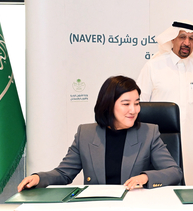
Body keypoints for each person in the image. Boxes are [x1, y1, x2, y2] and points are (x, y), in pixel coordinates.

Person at [18, 75, 182, 191]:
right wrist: (38, 178)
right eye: (126, 104)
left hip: (134, 209)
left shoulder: (149, 133)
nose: (134, 110)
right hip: (97, 210)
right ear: (108, 105)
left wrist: (145, 178)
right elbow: (64, 173)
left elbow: (174, 172)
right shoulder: (85, 134)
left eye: (137, 103)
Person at [137, 20, 193, 186]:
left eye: (191, 38)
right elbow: (140, 106)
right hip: (159, 143)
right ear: (172, 38)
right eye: (182, 37)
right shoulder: (153, 67)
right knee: (162, 189)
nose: (187, 42)